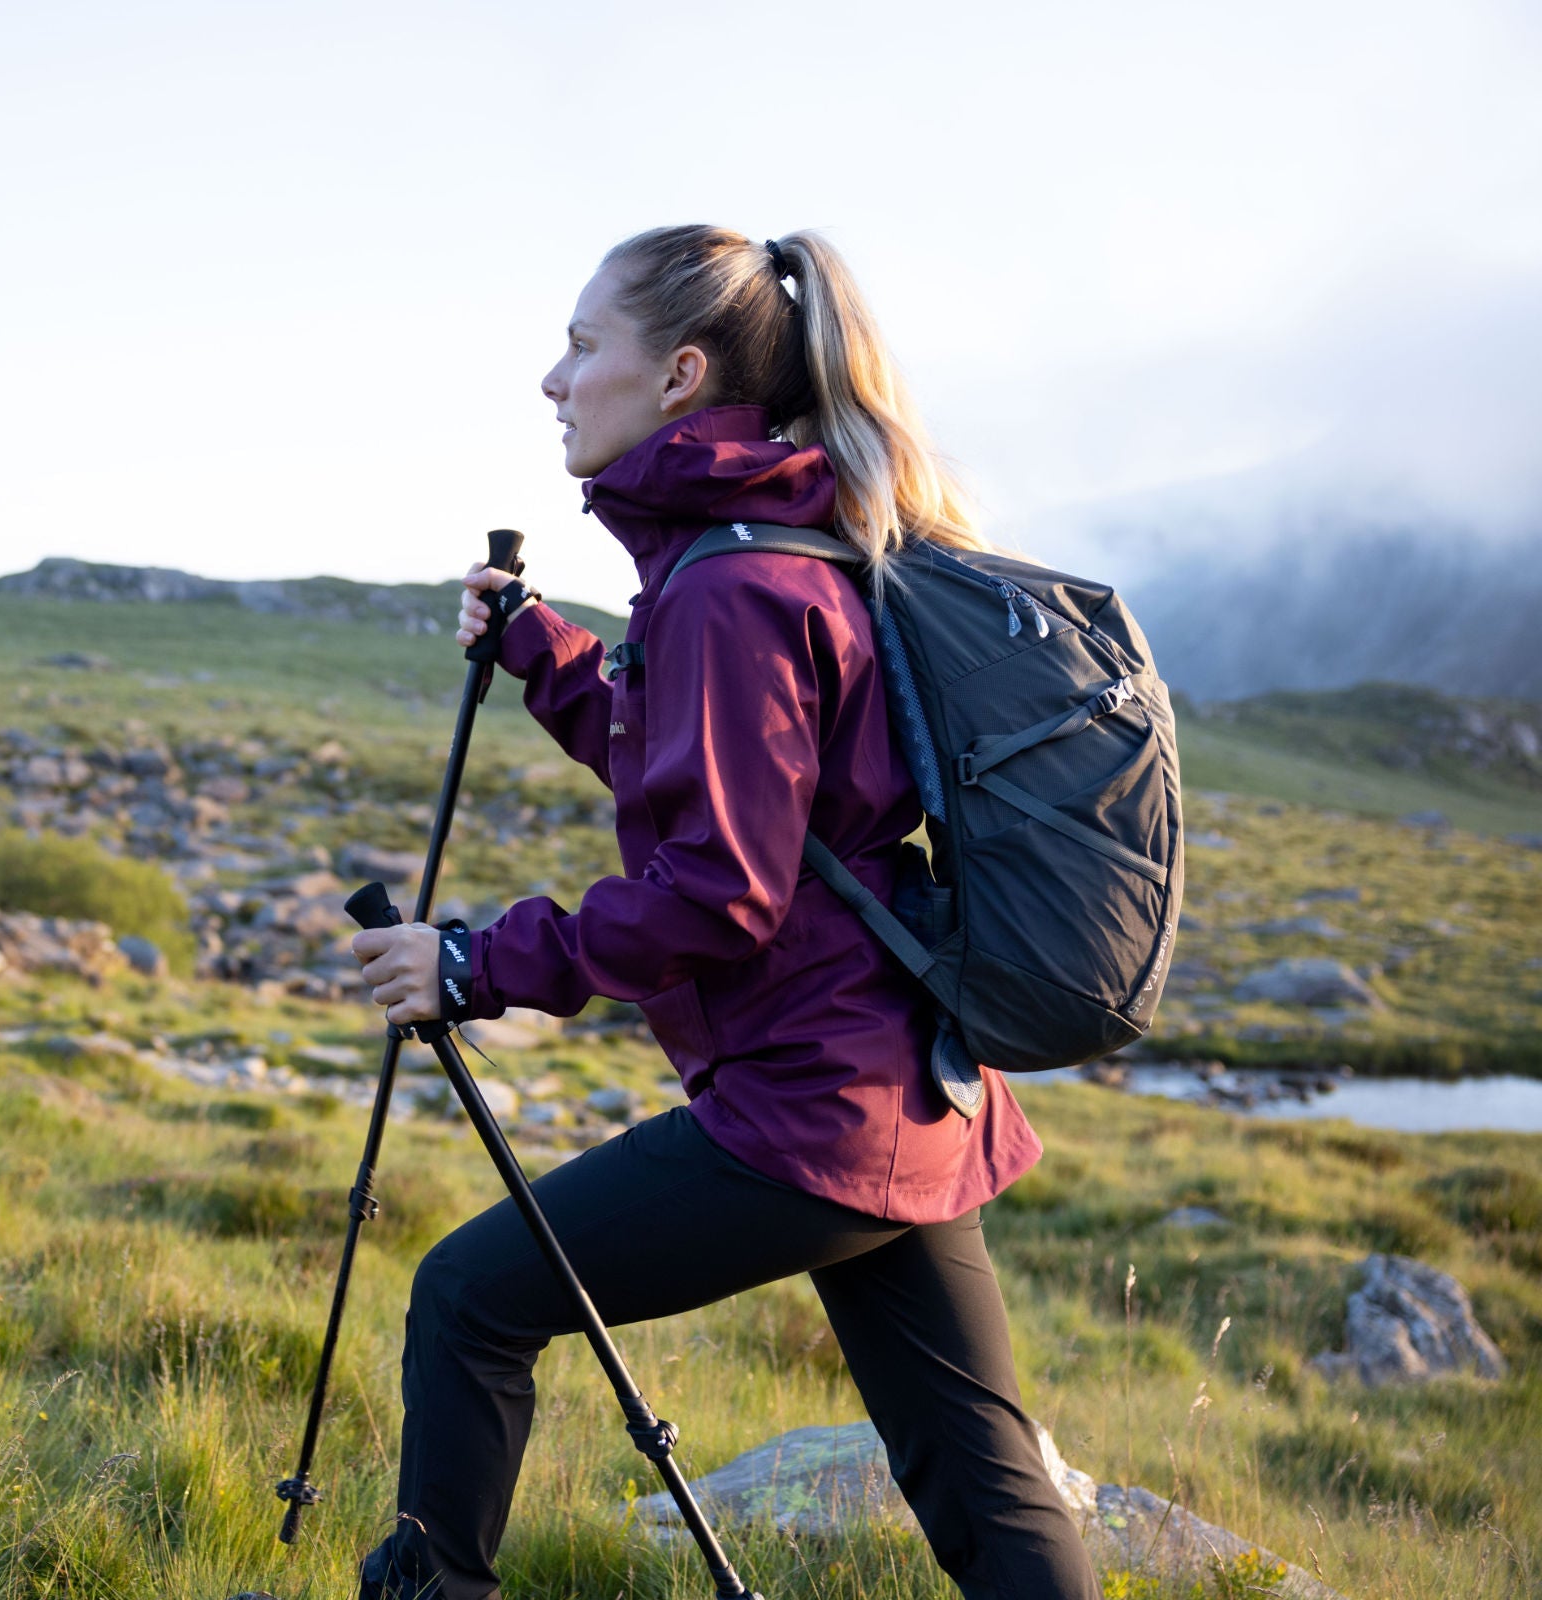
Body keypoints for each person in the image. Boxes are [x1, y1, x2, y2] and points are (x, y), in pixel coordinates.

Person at [347, 226, 1098, 1600]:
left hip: (809, 1112)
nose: (553, 379)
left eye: (585, 346)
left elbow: (722, 892)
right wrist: (543, 653)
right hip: (912, 1090)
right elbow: (735, 791)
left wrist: (475, 962)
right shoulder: (769, 553)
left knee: (468, 1301)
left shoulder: (732, 587)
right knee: (985, 1482)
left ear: (682, 374)